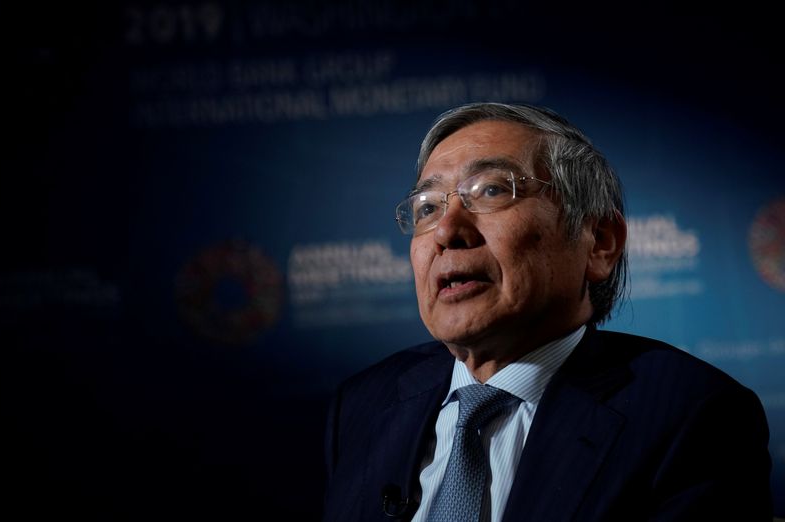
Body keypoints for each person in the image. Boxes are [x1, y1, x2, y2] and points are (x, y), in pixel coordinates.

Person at [322, 102, 772, 521]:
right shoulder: (364, 405)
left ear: (599, 242)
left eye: (492, 190)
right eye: (427, 207)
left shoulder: (690, 415)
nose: (446, 230)